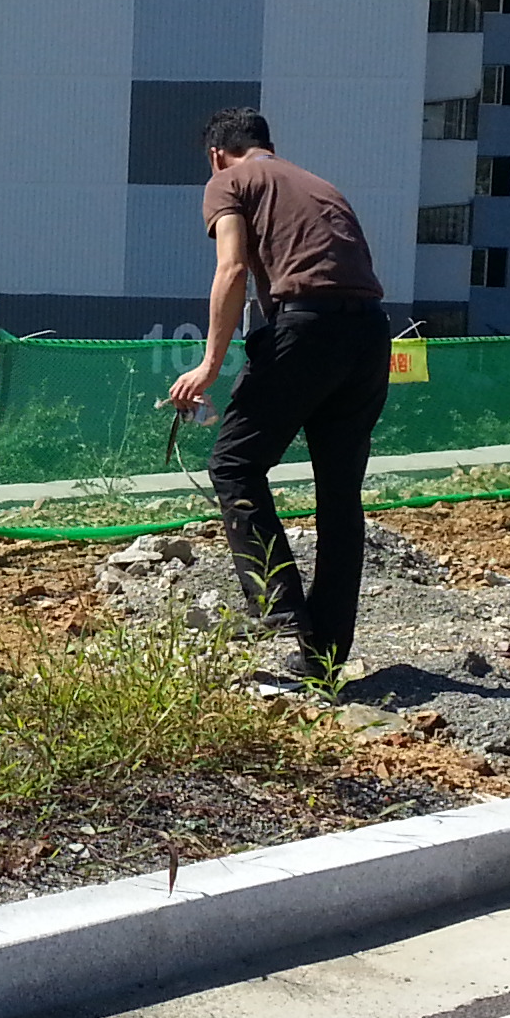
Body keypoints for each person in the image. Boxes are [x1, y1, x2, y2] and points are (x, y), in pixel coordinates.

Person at [165, 107, 392, 674]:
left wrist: (209, 364)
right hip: (368, 334)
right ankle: (325, 657)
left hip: (306, 330)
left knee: (234, 464)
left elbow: (232, 269)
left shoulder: (228, 180)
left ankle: (278, 605)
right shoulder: (319, 184)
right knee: (340, 496)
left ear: (217, 154)